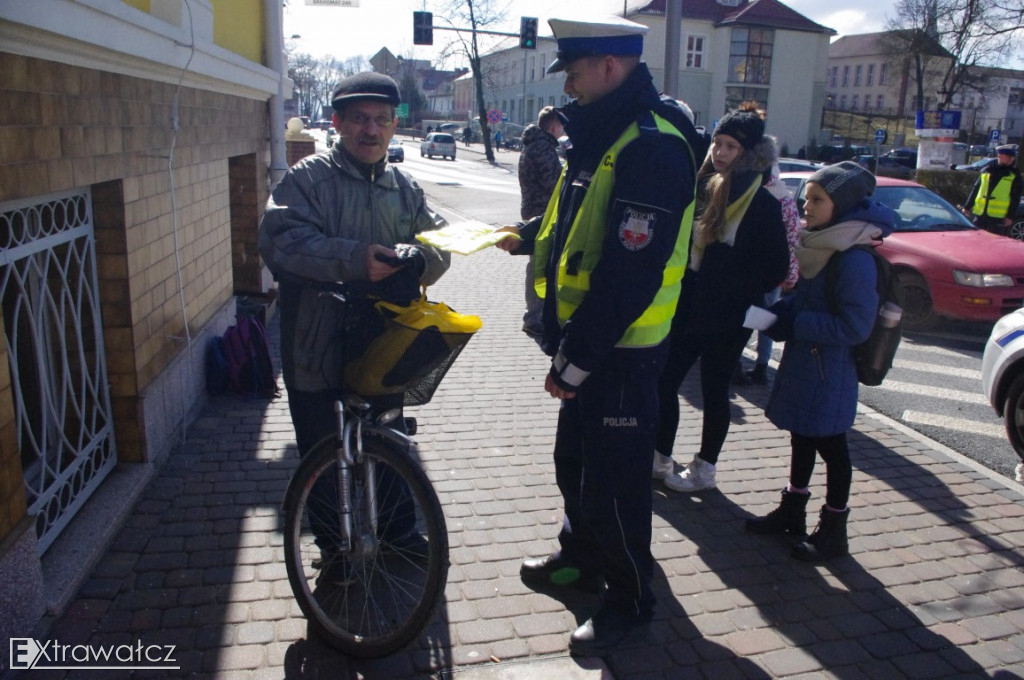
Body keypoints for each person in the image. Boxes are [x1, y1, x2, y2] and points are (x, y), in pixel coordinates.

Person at [494, 15, 700, 656]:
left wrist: (576, 361)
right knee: (575, 466)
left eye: (575, 71)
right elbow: (575, 221)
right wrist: (526, 237)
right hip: (589, 344)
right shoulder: (603, 135)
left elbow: (630, 270)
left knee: (616, 487)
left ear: (610, 67)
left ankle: (631, 597)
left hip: (620, 352)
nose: (568, 86)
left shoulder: (652, 146)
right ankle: (579, 558)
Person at [258, 72, 450, 579]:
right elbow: (280, 242)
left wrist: (420, 259)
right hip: (315, 342)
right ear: (338, 123)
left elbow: (441, 243)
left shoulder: (404, 187)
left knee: (387, 440)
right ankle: (335, 552)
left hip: (383, 345)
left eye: (382, 120)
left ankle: (398, 535)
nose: (372, 130)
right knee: (322, 452)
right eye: (360, 119)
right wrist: (352, 260)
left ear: (393, 126)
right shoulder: (307, 181)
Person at [745, 161, 897, 562]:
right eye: (806, 197)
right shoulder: (824, 243)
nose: (805, 205)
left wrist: (796, 321)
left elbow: (854, 327)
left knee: (833, 447)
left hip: (830, 373)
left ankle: (834, 530)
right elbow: (809, 299)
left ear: (841, 205)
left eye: (817, 199)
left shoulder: (853, 258)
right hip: (807, 363)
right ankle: (793, 510)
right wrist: (780, 316)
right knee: (802, 436)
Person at [652, 103, 789, 493]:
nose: (720, 151)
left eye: (730, 145)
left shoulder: (763, 203)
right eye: (717, 142)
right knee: (666, 381)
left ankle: (705, 470)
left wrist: (733, 282)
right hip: (689, 305)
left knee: (715, 392)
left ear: (747, 153)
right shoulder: (700, 186)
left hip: (729, 315)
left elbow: (777, 267)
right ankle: (660, 457)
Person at [738, 164, 800, 385]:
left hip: (756, 268)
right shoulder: (787, 198)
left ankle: (737, 363)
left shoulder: (756, 194)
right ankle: (762, 365)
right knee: (767, 316)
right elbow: (794, 237)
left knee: (746, 315)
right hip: (777, 269)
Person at [517, 105, 565, 340]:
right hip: (543, 214)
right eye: (561, 125)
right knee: (540, 266)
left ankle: (536, 316)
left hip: (534, 210)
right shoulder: (543, 148)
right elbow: (554, 183)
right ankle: (535, 318)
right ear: (554, 126)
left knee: (538, 265)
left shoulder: (531, 144)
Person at [962, 144, 1022, 236]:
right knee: (975, 241)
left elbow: (1015, 198)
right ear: (1000, 156)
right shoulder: (987, 171)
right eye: (1009, 157)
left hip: (998, 218)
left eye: (1012, 157)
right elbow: (976, 189)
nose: (1011, 159)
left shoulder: (1014, 175)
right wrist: (967, 207)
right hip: (980, 215)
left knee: (994, 244)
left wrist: (1010, 216)